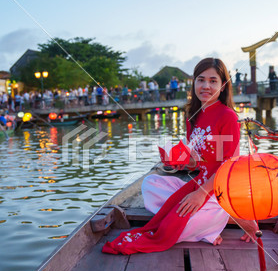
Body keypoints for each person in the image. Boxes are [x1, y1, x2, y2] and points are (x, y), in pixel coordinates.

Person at [102, 58, 258, 255]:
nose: (206, 86)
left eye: (213, 81)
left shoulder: (228, 116)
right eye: (201, 80)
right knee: (150, 184)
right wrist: (180, 162)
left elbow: (229, 164)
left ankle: (223, 218)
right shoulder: (193, 116)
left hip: (220, 189)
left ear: (223, 85)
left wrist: (201, 194)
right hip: (198, 181)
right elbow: (199, 162)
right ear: (194, 83)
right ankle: (208, 224)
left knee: (171, 228)